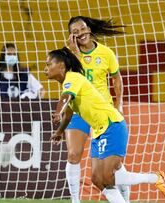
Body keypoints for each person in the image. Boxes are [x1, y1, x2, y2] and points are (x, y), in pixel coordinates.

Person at [45, 47, 165, 203]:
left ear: (62, 66)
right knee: (98, 179)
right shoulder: (69, 83)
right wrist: (59, 131)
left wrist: (57, 112)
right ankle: (154, 178)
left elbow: (65, 98)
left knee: (106, 176)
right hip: (100, 130)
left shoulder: (73, 78)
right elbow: (69, 113)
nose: (45, 68)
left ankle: (156, 178)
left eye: (49, 64)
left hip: (111, 125)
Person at [53, 16, 125, 203]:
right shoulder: (68, 56)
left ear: (89, 29)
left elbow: (117, 79)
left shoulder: (106, 53)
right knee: (73, 154)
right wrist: (74, 52)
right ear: (71, 36)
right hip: (78, 110)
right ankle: (75, 200)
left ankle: (125, 197)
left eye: (83, 29)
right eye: (75, 32)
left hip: (102, 111)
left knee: (113, 166)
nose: (81, 33)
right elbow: (70, 78)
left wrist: (118, 105)